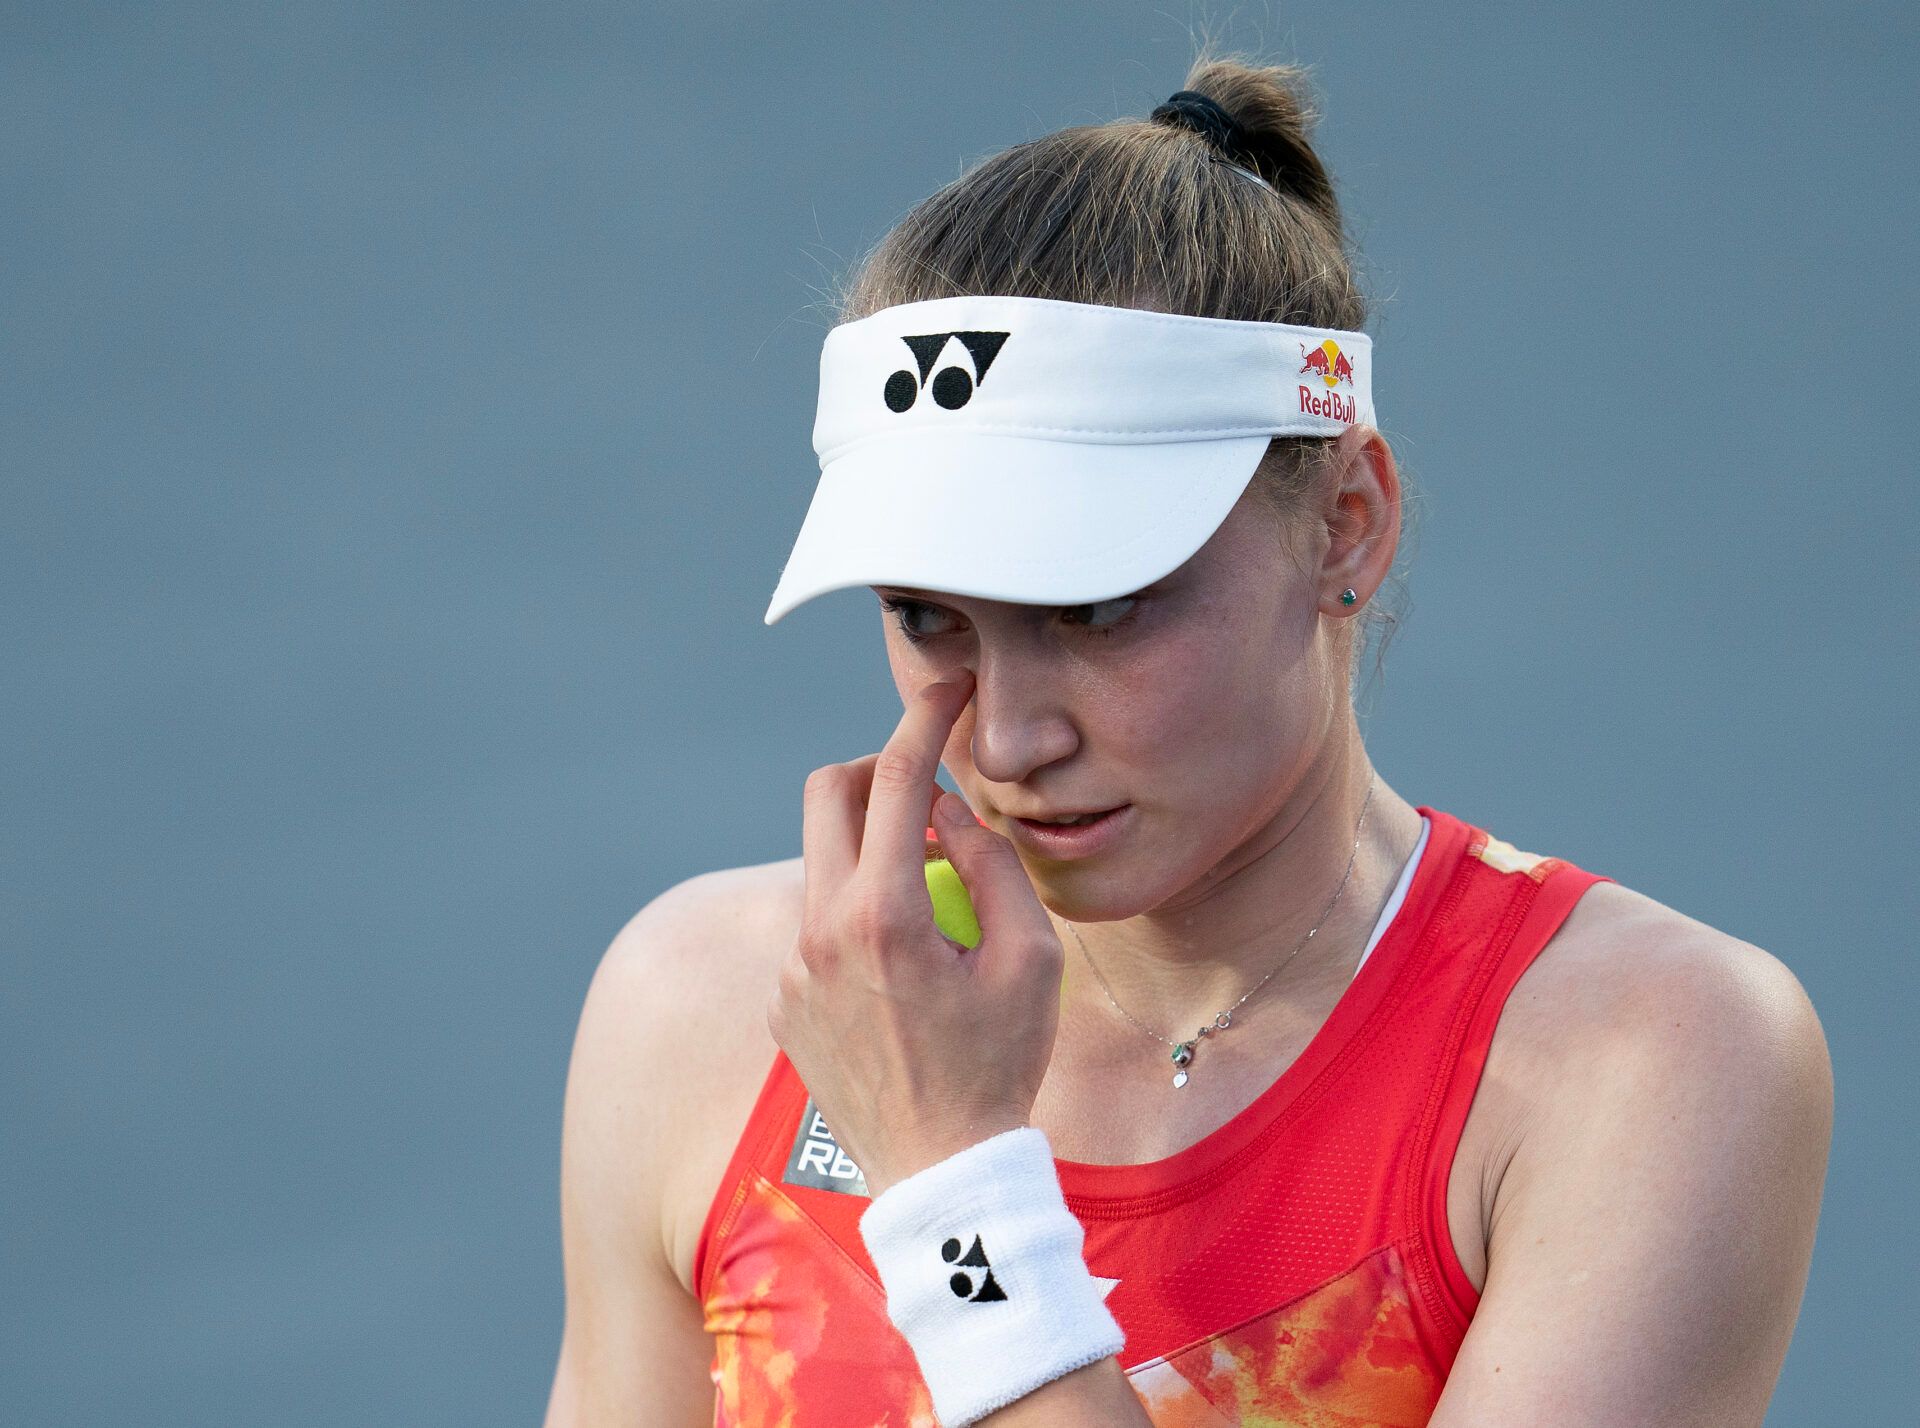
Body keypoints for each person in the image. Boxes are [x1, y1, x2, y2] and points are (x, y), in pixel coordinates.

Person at [541, 54, 1832, 1428]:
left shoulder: (1647, 1058)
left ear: (1346, 520)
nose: (1013, 734)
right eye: (927, 616)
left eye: (1100, 607)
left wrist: (951, 1186)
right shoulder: (702, 1007)